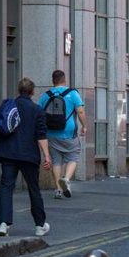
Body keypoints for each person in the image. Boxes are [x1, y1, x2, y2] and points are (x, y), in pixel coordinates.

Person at [0, 77, 52, 238]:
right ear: (32, 92)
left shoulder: (8, 104)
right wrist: (47, 156)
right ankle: (40, 225)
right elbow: (41, 136)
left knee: (6, 187)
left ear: (19, 90)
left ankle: (4, 224)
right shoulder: (37, 110)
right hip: (29, 155)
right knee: (34, 189)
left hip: (8, 153)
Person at [38, 69, 85, 199]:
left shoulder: (45, 95)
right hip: (69, 132)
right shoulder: (73, 93)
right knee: (73, 156)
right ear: (64, 80)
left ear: (53, 81)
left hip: (51, 133)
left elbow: (39, 114)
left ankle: (58, 190)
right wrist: (84, 126)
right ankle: (66, 179)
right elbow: (80, 112)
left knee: (56, 161)